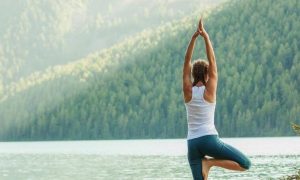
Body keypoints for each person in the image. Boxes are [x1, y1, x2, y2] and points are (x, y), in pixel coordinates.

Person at [182, 18, 251, 180]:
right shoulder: (209, 92)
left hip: (192, 144)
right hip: (209, 140)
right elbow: (212, 61)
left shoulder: (188, 92)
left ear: (192, 74)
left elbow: (186, 62)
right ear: (207, 74)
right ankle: (210, 163)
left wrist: (193, 39)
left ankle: (207, 164)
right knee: (245, 164)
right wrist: (205, 36)